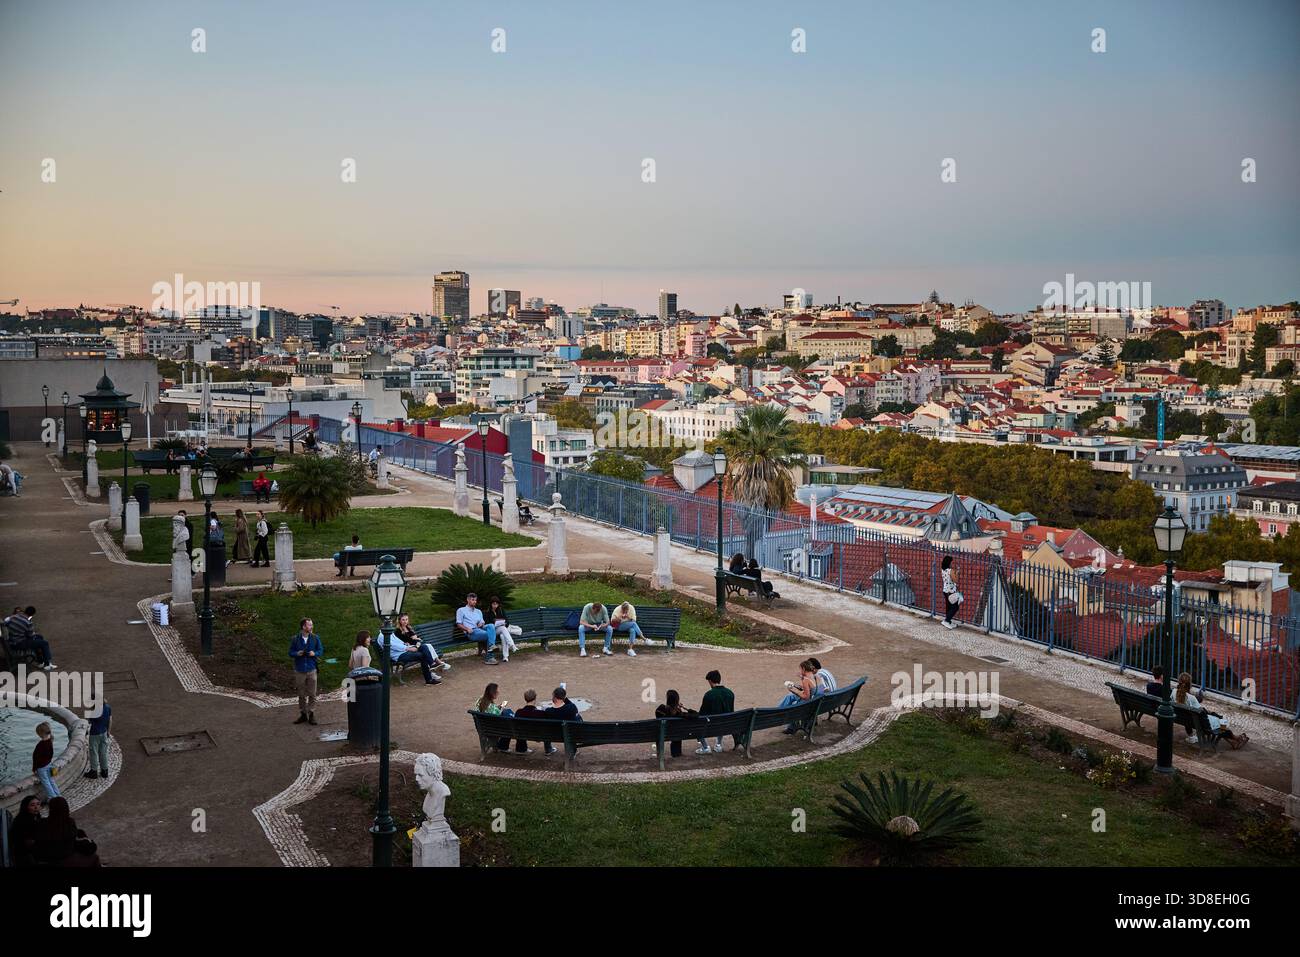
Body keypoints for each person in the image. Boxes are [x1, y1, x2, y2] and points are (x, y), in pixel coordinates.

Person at [1176, 672, 1249, 749]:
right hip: (1203, 724)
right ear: (1190, 684)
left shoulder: (1173, 693)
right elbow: (1201, 712)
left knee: (1216, 718)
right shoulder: (1191, 698)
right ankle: (1236, 738)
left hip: (1188, 720)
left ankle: (1233, 742)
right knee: (1221, 722)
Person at [35, 797, 99, 867]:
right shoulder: (69, 822)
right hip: (63, 858)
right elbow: (71, 842)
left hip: (47, 856)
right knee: (93, 855)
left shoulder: (42, 822)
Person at [377, 623, 441, 685]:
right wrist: (408, 648)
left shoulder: (389, 633)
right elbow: (393, 646)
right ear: (383, 625)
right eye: (389, 624)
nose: (391, 625)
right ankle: (429, 679)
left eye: (390, 624)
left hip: (404, 651)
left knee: (424, 647)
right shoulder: (382, 636)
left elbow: (398, 642)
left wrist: (405, 643)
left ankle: (432, 664)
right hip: (399, 656)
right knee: (422, 655)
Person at [288, 618, 323, 725]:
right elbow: (290, 652)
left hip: (311, 669)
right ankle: (303, 714)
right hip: (299, 670)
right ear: (303, 627)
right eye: (309, 625)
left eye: (312, 625)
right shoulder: (295, 639)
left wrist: (315, 653)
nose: (311, 627)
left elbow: (320, 650)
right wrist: (296, 653)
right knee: (301, 694)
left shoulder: (315, 638)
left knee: (312, 693)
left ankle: (311, 713)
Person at [696, 670, 736, 754]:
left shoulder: (709, 694)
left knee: (697, 722)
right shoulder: (730, 693)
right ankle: (718, 744)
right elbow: (731, 710)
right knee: (721, 718)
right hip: (727, 725)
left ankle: (705, 747)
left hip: (711, 727)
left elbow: (702, 714)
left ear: (710, 681)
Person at [776, 660, 818, 734]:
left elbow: (806, 697)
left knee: (793, 703)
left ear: (804, 669)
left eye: (800, 669)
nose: (800, 671)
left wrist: (793, 690)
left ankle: (790, 726)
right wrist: (798, 686)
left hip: (807, 704)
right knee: (790, 696)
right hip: (814, 701)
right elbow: (811, 689)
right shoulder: (814, 676)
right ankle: (779, 711)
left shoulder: (806, 680)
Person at [456, 592, 498, 665]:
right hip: (471, 632)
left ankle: (491, 646)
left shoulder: (478, 611)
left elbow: (482, 622)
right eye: (472, 600)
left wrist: (481, 623)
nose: (474, 601)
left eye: (475, 600)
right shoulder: (461, 610)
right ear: (468, 600)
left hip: (480, 629)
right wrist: (467, 629)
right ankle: (490, 657)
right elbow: (459, 624)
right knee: (487, 634)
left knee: (491, 626)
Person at [473, 682, 515, 753]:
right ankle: (503, 747)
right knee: (509, 719)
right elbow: (497, 714)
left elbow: (489, 710)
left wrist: (498, 707)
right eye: (497, 691)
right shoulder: (493, 708)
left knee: (506, 712)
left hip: (482, 728)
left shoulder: (479, 700)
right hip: (493, 729)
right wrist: (501, 707)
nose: (498, 692)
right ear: (493, 693)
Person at [512, 689, 557, 755]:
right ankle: (548, 749)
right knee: (547, 727)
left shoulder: (519, 712)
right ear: (535, 698)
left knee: (521, 727)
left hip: (523, 734)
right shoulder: (540, 713)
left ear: (525, 699)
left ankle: (521, 748)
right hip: (538, 735)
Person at [655, 689, 697, 758]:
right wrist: (684, 708)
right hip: (675, 734)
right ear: (677, 701)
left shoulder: (660, 709)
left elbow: (658, 716)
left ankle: (659, 754)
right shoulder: (679, 713)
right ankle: (676, 753)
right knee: (677, 731)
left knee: (661, 731)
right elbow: (696, 714)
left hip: (662, 734)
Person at [8, 795, 43, 867]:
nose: (36, 807)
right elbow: (28, 842)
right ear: (26, 807)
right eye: (32, 805)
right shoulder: (23, 821)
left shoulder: (35, 816)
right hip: (24, 853)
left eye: (38, 804)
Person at [84, 700, 111, 780]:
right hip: (104, 732)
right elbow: (110, 720)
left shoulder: (94, 712)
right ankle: (104, 771)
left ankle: (94, 772)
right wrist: (108, 731)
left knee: (94, 752)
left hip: (94, 733)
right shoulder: (107, 707)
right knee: (103, 752)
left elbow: (89, 721)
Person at [486, 596, 519, 662]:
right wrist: (495, 624)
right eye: (493, 604)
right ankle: (512, 645)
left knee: (503, 636)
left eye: (496, 604)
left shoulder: (500, 610)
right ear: (491, 604)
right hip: (493, 631)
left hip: (501, 630)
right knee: (503, 628)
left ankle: (505, 657)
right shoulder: (488, 612)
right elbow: (487, 623)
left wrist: (504, 623)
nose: (495, 606)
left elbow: (507, 622)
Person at [33, 722, 59, 798]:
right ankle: (58, 795)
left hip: (41, 767)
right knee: (51, 781)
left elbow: (36, 758)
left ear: (41, 733)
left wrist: (34, 768)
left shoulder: (41, 744)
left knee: (46, 783)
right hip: (48, 764)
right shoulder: (50, 741)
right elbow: (50, 755)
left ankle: (52, 798)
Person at [940, 555, 960, 629]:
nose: (952, 563)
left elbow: (948, 579)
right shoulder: (951, 571)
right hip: (951, 591)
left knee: (949, 607)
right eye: (951, 562)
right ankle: (946, 621)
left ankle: (949, 621)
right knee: (955, 607)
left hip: (945, 590)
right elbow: (956, 580)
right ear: (949, 562)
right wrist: (957, 573)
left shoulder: (942, 569)